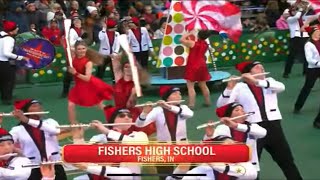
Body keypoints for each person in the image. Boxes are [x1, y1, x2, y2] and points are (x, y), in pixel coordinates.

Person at [217, 61, 302, 179]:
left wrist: (256, 81)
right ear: (248, 72)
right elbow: (222, 107)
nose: (261, 69)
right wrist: (229, 89)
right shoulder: (240, 87)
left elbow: (281, 87)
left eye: (262, 67)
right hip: (253, 129)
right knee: (252, 164)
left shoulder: (269, 82)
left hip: (274, 127)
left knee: (286, 159)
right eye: (257, 67)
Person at [72, 106, 148, 180]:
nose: (127, 118)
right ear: (112, 120)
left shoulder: (139, 135)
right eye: (121, 115)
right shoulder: (98, 138)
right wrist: (78, 139)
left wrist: (107, 131)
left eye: (130, 116)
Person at [136, 86, 194, 179]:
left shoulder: (183, 108)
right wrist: (144, 113)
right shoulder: (158, 110)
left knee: (191, 172)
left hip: (182, 144)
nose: (179, 96)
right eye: (175, 94)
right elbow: (139, 124)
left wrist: (168, 106)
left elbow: (190, 114)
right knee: (164, 175)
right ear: (167, 97)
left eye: (179, 93)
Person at [9, 99, 67, 180]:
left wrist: (26, 120)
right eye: (34, 106)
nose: (39, 107)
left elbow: (55, 131)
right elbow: (7, 144)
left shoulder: (50, 122)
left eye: (39, 105)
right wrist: (20, 152)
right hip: (32, 167)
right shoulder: (17, 130)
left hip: (54, 165)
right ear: (26, 110)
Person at [204, 102, 267, 172]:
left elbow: (263, 133)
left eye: (242, 109)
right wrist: (208, 136)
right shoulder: (223, 128)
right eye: (237, 110)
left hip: (250, 168)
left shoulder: (252, 126)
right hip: (231, 169)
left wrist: (235, 125)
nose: (242, 111)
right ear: (229, 117)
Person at [67, 40, 114, 124]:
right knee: (71, 105)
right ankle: (73, 124)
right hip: (79, 85)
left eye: (83, 48)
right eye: (79, 49)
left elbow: (87, 78)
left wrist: (75, 73)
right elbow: (67, 47)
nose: (81, 51)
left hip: (89, 85)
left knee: (99, 105)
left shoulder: (88, 62)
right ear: (75, 50)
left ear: (86, 49)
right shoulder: (73, 56)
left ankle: (113, 116)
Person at [169, 136, 258, 180]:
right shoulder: (203, 169)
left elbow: (251, 174)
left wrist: (220, 166)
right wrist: (183, 166)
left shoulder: (243, 165)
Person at [180, 30, 213, 109]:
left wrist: (190, 33)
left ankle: (191, 104)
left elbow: (181, 39)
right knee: (203, 85)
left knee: (191, 86)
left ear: (198, 35)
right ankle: (208, 101)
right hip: (202, 65)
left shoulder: (193, 43)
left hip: (193, 65)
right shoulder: (206, 44)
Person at [0, 20, 29, 105]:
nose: (18, 29)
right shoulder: (9, 39)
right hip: (4, 63)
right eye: (16, 28)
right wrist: (21, 57)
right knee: (8, 82)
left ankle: (5, 97)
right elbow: (6, 53)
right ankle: (7, 99)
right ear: (12, 30)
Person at [294, 25, 320, 113]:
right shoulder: (308, 44)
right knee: (307, 87)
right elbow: (309, 59)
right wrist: (318, 63)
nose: (319, 34)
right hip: (313, 69)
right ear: (312, 34)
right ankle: (298, 106)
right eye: (317, 32)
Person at [61, 16, 87, 98]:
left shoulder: (82, 30)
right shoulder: (72, 31)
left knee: (82, 72)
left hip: (81, 54)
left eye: (78, 20)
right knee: (69, 73)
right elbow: (71, 43)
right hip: (73, 55)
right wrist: (79, 39)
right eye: (75, 21)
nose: (77, 22)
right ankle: (65, 92)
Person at [283, 6, 309, 78]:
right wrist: (300, 10)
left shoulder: (302, 18)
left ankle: (306, 71)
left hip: (304, 36)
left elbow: (309, 16)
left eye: (296, 10)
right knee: (291, 56)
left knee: (307, 55)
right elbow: (297, 17)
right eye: (293, 11)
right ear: (290, 12)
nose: (295, 12)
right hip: (295, 38)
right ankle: (286, 72)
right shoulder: (290, 19)